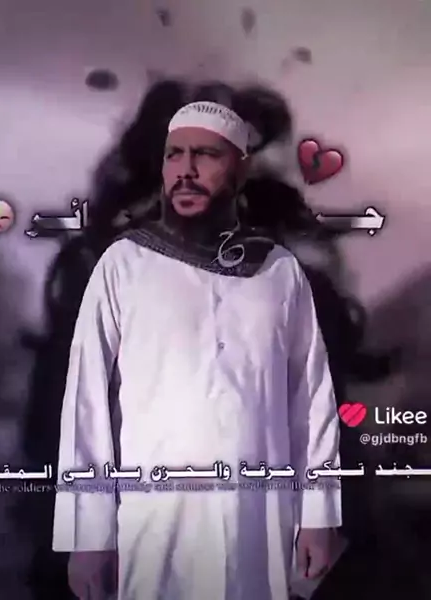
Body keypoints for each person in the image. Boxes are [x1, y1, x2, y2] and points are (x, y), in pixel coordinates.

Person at [52, 101, 342, 599]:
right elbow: (87, 405)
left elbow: (311, 401)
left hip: (260, 524)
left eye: (205, 155)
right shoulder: (123, 265)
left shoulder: (279, 272)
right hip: (155, 525)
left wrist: (318, 514)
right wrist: (89, 535)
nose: (185, 171)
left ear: (241, 169)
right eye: (174, 155)